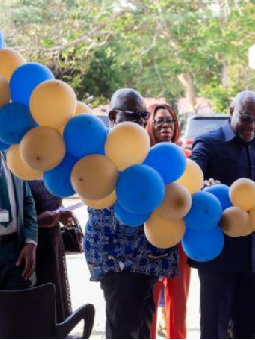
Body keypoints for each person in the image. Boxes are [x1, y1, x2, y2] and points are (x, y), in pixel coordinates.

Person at [84, 89, 179, 339]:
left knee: (142, 327)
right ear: (114, 115)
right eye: (134, 115)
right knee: (123, 329)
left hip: (146, 258)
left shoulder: (144, 150)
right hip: (117, 259)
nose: (141, 122)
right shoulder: (97, 151)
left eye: (143, 115)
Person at [190, 90, 255, 339]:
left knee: (247, 328)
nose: (252, 126)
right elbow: (190, 181)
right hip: (218, 253)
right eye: (246, 118)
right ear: (232, 111)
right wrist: (203, 186)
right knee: (214, 329)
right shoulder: (208, 143)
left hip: (254, 256)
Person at [145, 103, 190, 340]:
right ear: (149, 124)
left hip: (179, 238)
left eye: (170, 121)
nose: (165, 125)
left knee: (178, 299)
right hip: (150, 237)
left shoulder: (186, 159)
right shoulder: (142, 157)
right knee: (150, 299)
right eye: (160, 120)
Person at [28, 180, 75, 322]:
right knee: (38, 306)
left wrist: (61, 214)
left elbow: (54, 202)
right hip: (32, 249)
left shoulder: (50, 169)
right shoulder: (17, 173)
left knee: (55, 299)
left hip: (53, 246)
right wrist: (38, 221)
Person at [0, 153, 38, 290]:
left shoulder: (12, 157)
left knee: (21, 306)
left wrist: (31, 241)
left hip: (16, 250)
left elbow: (28, 201)